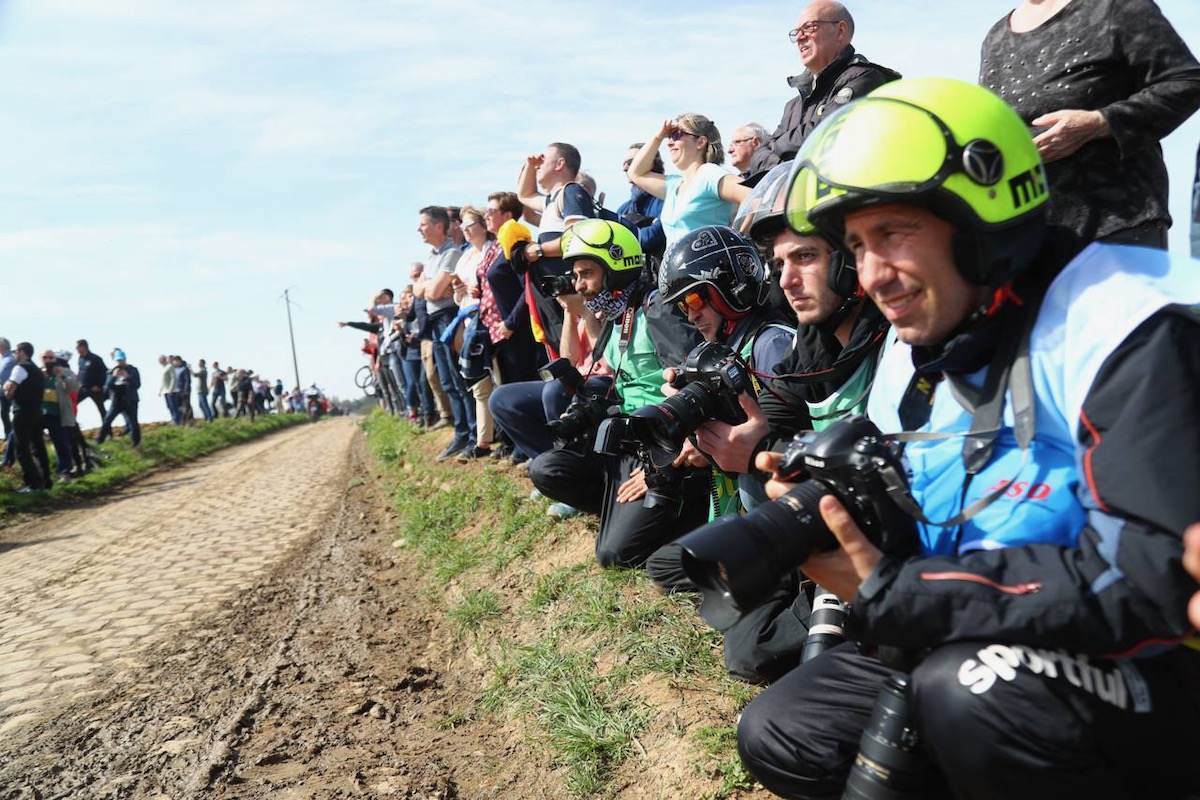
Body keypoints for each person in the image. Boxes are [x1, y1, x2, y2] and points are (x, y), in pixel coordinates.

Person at [735, 76, 1200, 799]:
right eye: (855, 246)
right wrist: (844, 518)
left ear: (984, 217)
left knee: (974, 690)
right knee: (784, 730)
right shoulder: (922, 333)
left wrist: (905, 592)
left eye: (893, 233)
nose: (873, 276)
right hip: (987, 613)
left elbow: (1146, 581)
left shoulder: (1122, 323)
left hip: (1148, 657)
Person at [527, 219, 709, 567]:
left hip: (663, 445)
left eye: (586, 274)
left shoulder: (656, 309)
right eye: (576, 276)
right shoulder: (616, 314)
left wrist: (663, 463)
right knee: (546, 468)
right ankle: (624, 507)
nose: (579, 285)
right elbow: (614, 379)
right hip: (626, 440)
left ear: (616, 267)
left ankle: (675, 511)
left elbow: (692, 388)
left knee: (615, 555)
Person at [980, 0, 1200, 253]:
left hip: (1116, 232)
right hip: (1030, 242)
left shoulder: (1116, 6)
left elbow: (1186, 81)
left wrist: (1100, 123)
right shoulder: (996, 37)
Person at [745, 1, 899, 179]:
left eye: (809, 28)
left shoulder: (864, 78)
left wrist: (776, 148)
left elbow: (825, 131)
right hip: (799, 202)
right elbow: (757, 157)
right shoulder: (793, 106)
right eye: (797, 33)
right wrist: (784, 169)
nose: (800, 38)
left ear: (840, 31)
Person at [514, 141, 598, 356]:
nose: (538, 164)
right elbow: (523, 195)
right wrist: (529, 166)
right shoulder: (552, 199)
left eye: (543, 160)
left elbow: (578, 238)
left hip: (572, 290)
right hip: (557, 292)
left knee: (582, 352)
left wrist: (539, 251)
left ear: (560, 164)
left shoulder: (570, 192)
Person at [627, 114, 749, 251]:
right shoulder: (674, 185)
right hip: (676, 270)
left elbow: (751, 195)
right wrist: (658, 137)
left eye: (677, 135)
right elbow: (636, 174)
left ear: (701, 142)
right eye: (669, 136)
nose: (669, 142)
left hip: (710, 269)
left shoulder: (709, 174)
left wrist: (737, 241)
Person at [413, 205, 476, 460]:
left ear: (439, 226)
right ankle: (461, 433)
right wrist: (428, 284)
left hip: (448, 318)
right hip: (435, 320)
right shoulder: (431, 256)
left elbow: (434, 293)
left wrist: (429, 285)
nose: (419, 229)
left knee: (459, 380)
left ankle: (471, 435)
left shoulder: (451, 252)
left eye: (423, 224)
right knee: (448, 382)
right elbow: (420, 289)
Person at [3, 342, 52, 492]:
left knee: (22, 450)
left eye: (16, 351)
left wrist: (7, 392)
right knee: (39, 447)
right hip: (37, 412)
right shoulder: (37, 370)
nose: (14, 354)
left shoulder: (20, 368)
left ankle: (33, 484)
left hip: (22, 412)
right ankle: (46, 481)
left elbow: (9, 387)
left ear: (23, 352)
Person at [616, 144, 667, 261]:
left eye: (630, 162)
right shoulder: (623, 209)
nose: (624, 168)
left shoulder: (670, 199)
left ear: (649, 163)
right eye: (624, 163)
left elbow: (654, 236)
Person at [39, 348, 79, 482]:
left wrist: (62, 376)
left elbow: (73, 387)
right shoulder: (37, 373)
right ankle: (42, 474)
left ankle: (64, 472)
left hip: (57, 413)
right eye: (45, 357)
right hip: (39, 413)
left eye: (51, 358)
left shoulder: (64, 371)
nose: (48, 360)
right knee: (32, 442)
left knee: (61, 443)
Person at [97, 349, 141, 448]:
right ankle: (99, 441)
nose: (120, 362)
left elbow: (137, 384)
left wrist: (127, 377)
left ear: (125, 359)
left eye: (121, 360)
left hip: (130, 400)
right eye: (118, 360)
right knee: (107, 420)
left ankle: (136, 443)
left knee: (133, 422)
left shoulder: (133, 370)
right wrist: (114, 376)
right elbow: (107, 387)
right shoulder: (111, 372)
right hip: (116, 401)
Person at [74, 338, 107, 423]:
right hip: (83, 388)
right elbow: (81, 372)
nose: (76, 350)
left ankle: (107, 431)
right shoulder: (80, 359)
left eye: (78, 347)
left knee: (101, 409)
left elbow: (104, 372)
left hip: (95, 389)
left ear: (84, 347)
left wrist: (100, 385)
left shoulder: (95, 358)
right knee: (71, 405)